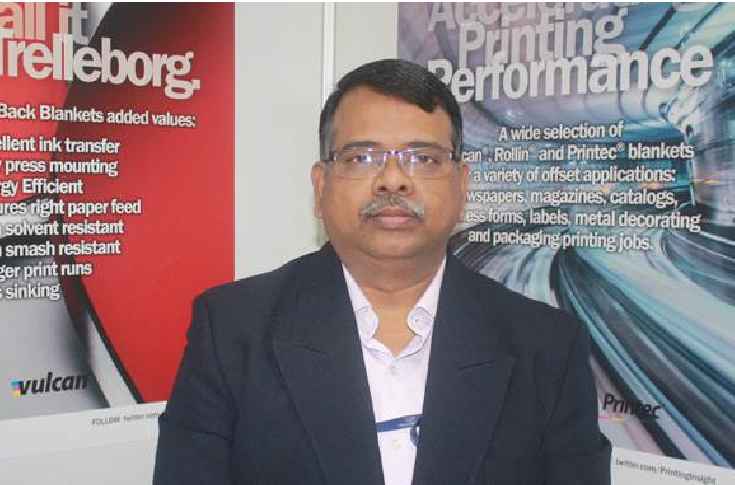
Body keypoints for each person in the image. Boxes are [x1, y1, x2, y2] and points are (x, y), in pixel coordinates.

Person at [153, 59, 611, 485]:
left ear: (462, 186)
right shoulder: (232, 330)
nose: (393, 180)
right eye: (361, 158)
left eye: (423, 158)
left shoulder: (548, 346)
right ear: (321, 187)